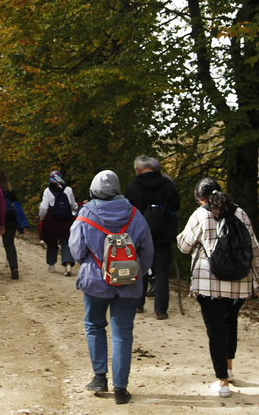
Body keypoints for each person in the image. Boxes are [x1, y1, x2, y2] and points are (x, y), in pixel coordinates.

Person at [176, 177, 259, 398]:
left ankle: (222, 383)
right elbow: (255, 249)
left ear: (200, 199)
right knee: (230, 323)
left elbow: (185, 246)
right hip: (240, 282)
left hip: (209, 284)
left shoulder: (201, 214)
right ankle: (229, 369)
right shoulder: (240, 213)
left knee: (214, 330)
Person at [69, 170, 153, 405]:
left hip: (95, 282)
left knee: (94, 326)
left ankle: (99, 378)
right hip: (128, 283)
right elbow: (147, 252)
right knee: (122, 333)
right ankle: (121, 389)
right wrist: (135, 273)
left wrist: (94, 265)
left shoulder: (85, 213)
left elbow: (76, 251)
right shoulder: (135, 215)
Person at [124, 155, 180, 318]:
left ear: (138, 169)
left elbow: (127, 209)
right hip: (163, 233)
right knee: (162, 271)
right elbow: (176, 205)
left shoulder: (133, 186)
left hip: (140, 233)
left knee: (140, 268)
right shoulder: (166, 184)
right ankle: (160, 309)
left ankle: (138, 304)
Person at [39, 171, 78, 275]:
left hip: (52, 219)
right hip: (67, 219)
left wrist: (42, 218)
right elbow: (73, 206)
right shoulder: (68, 189)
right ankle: (68, 264)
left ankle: (51, 265)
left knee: (51, 240)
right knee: (67, 241)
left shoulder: (48, 190)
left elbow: (43, 207)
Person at [0, 170, 19, 280]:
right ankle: (14, 268)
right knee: (9, 244)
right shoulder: (10, 191)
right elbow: (17, 206)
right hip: (10, 219)